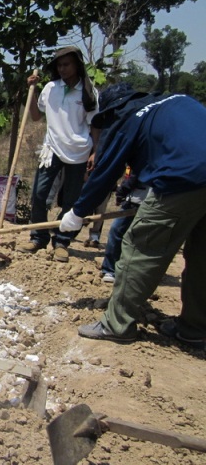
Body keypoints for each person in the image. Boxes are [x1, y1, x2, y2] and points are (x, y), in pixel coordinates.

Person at [58, 82, 206, 348]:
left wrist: (78, 212)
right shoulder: (178, 100)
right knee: (201, 257)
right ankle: (194, 329)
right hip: (193, 178)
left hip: (183, 180)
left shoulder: (131, 118)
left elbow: (106, 170)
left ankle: (116, 324)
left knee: (140, 247)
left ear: (115, 110)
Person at [16, 46, 99, 263]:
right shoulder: (50, 88)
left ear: (77, 65)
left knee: (71, 200)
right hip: (51, 148)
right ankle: (38, 237)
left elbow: (95, 125)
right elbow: (36, 116)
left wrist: (95, 151)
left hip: (79, 151)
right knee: (39, 194)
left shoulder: (88, 92)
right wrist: (32, 91)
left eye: (66, 64)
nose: (62, 69)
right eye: (59, 65)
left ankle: (62, 241)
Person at [100, 171, 149, 283]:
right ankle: (110, 269)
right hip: (134, 199)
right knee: (117, 231)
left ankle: (131, 273)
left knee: (124, 233)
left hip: (146, 201)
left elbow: (136, 175)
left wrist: (122, 190)